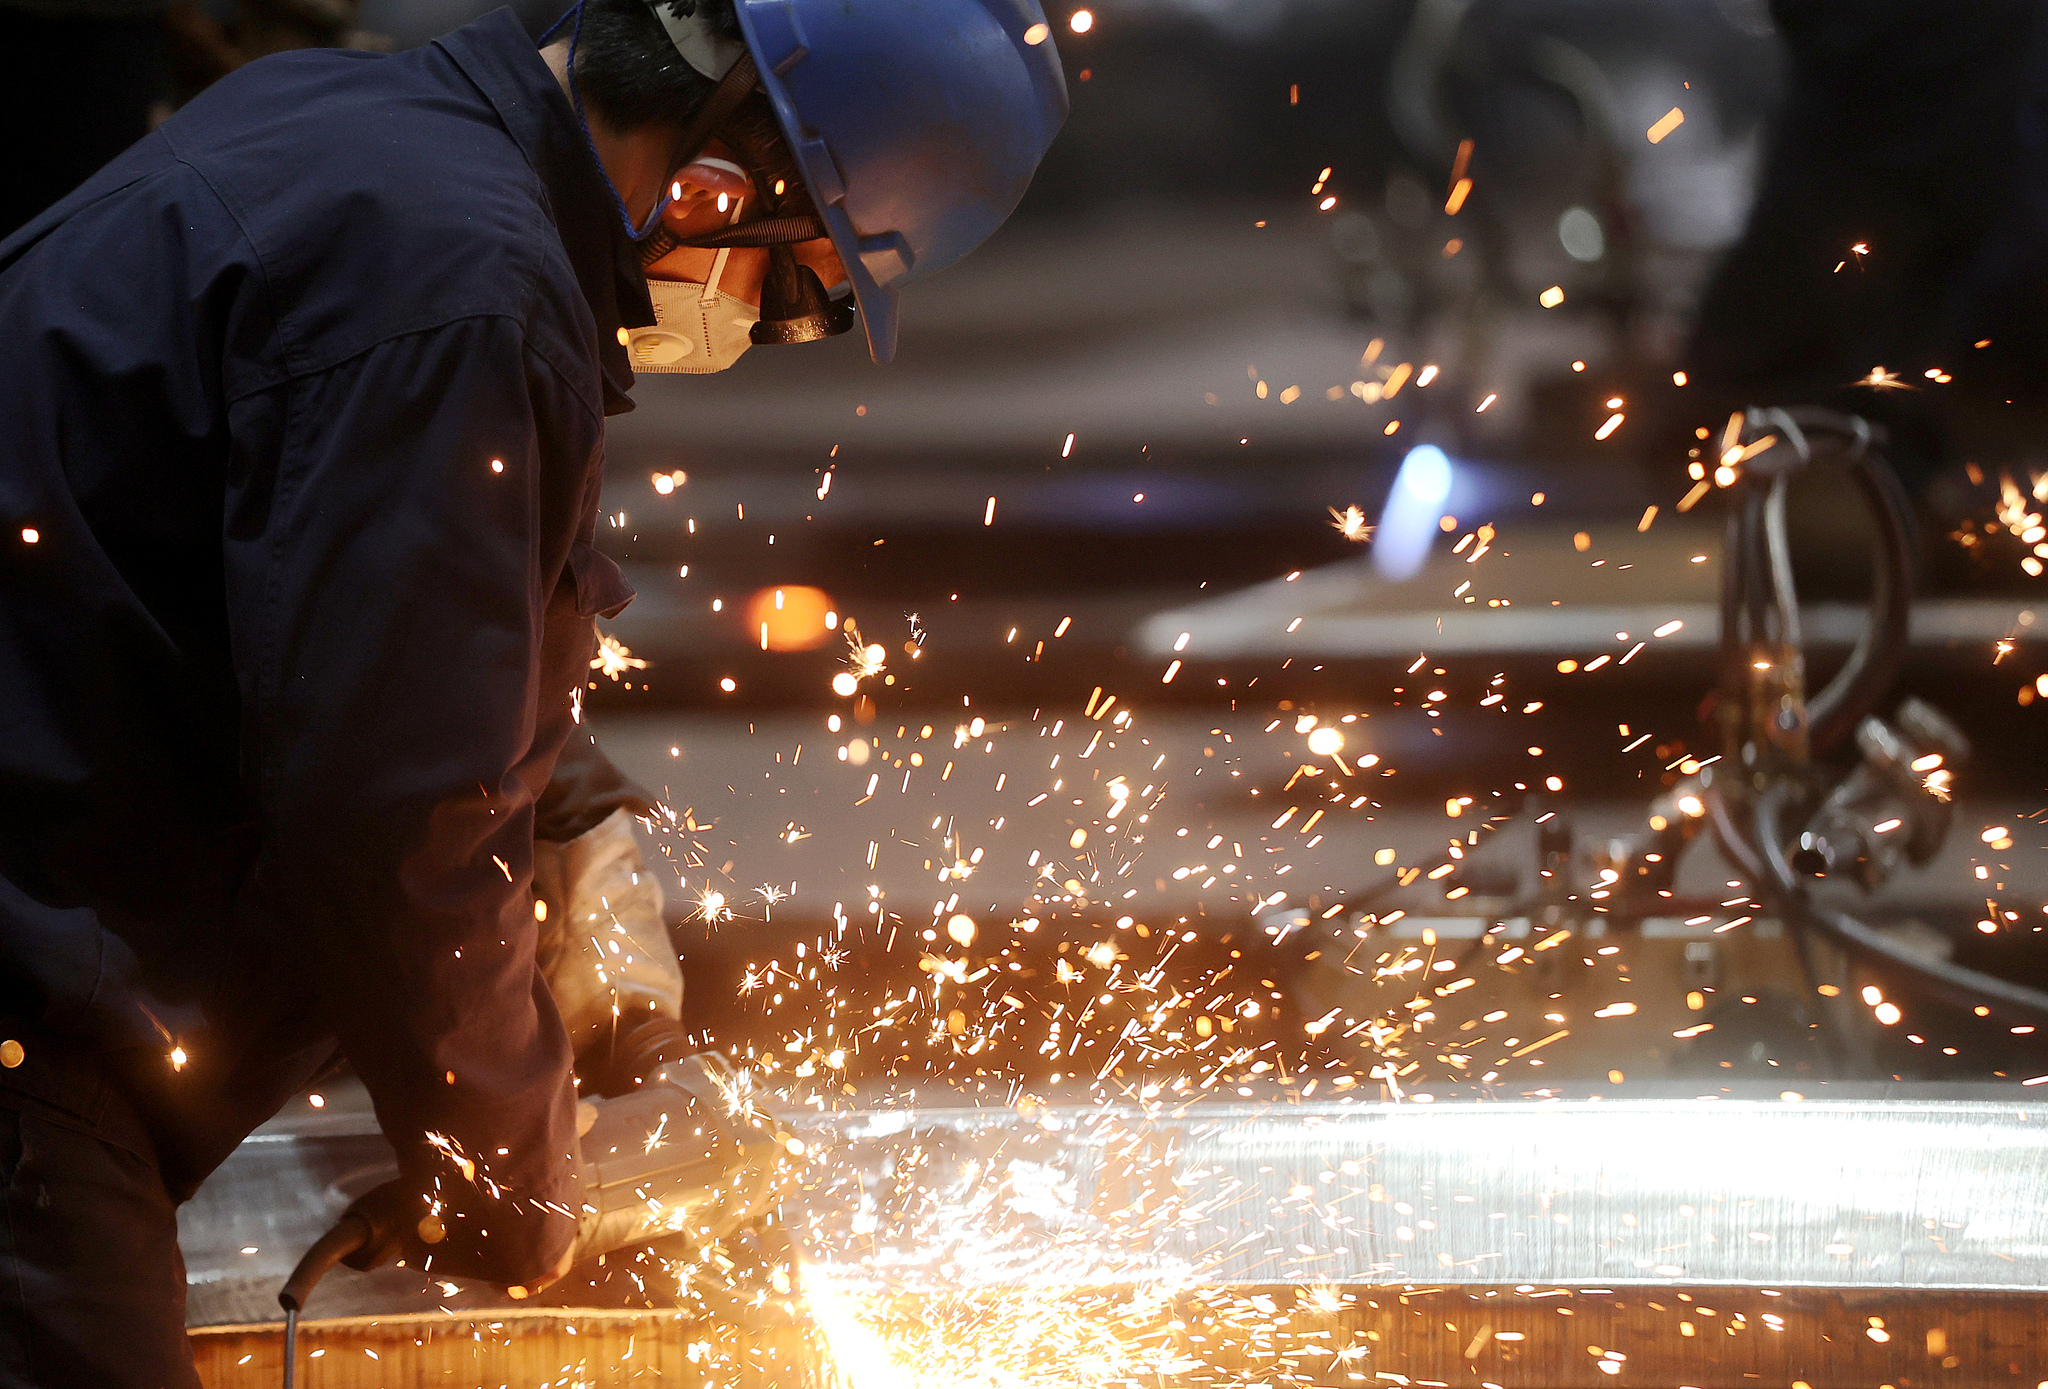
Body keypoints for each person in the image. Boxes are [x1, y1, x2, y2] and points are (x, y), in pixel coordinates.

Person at [0, 0, 1066, 1380]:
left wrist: (571, 819)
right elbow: (391, 817)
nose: (757, 322)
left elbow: (368, 604)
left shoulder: (370, 137)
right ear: (720, 184)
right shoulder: (466, 290)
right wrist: (526, 1181)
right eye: (795, 289)